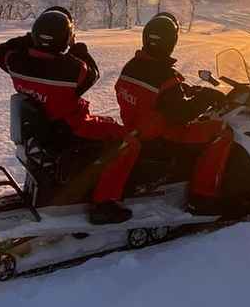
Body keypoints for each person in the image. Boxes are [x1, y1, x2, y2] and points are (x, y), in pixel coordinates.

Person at [88, 12, 231, 224]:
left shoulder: (132, 66)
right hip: (163, 135)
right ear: (171, 42)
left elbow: (153, 96)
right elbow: (180, 115)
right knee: (222, 131)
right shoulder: (165, 76)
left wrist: (186, 91)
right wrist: (206, 98)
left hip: (137, 128)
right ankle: (202, 197)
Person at [0, 6, 124, 153]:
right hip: (71, 129)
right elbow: (93, 73)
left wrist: (33, 38)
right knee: (123, 135)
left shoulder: (15, 63)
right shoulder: (73, 70)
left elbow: (0, 50)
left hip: (41, 131)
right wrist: (77, 47)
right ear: (66, 40)